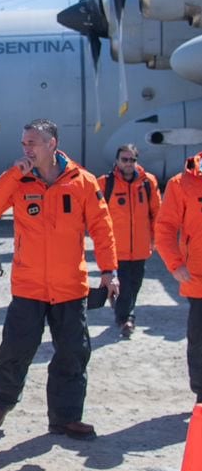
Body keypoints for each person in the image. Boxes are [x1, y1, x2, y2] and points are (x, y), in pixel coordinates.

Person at [0, 119, 119, 440]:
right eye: (24, 143)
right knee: (14, 350)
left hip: (70, 287)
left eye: (33, 143)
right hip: (29, 287)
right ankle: (2, 402)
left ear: (52, 144)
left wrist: (109, 270)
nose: (26, 148)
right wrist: (13, 173)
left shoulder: (81, 181)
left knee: (73, 353)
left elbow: (102, 227)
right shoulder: (19, 180)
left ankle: (65, 418)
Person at [152, 155, 202, 404]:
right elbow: (165, 228)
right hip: (198, 277)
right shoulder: (182, 183)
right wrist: (175, 263)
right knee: (200, 341)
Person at [103, 144, 161, 339]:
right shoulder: (105, 183)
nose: (128, 163)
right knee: (125, 284)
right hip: (116, 247)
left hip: (140, 246)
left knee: (135, 284)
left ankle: (121, 306)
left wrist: (156, 238)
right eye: (124, 160)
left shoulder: (148, 183)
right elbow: (96, 215)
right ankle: (126, 319)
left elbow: (157, 213)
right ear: (117, 161)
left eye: (132, 160)